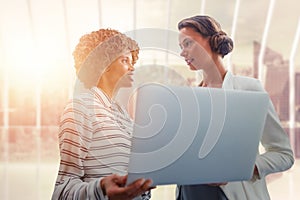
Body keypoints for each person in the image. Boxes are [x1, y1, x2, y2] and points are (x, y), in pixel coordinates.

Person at [176, 15, 294, 200]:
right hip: (188, 193)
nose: (183, 53)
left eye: (188, 43)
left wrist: (239, 169)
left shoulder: (249, 89)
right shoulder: (189, 99)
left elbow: (284, 154)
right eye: (181, 47)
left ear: (212, 41)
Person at [52, 28, 153, 200]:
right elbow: (62, 190)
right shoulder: (80, 108)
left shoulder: (122, 114)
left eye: (132, 62)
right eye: (125, 60)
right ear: (103, 64)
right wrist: (101, 188)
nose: (132, 68)